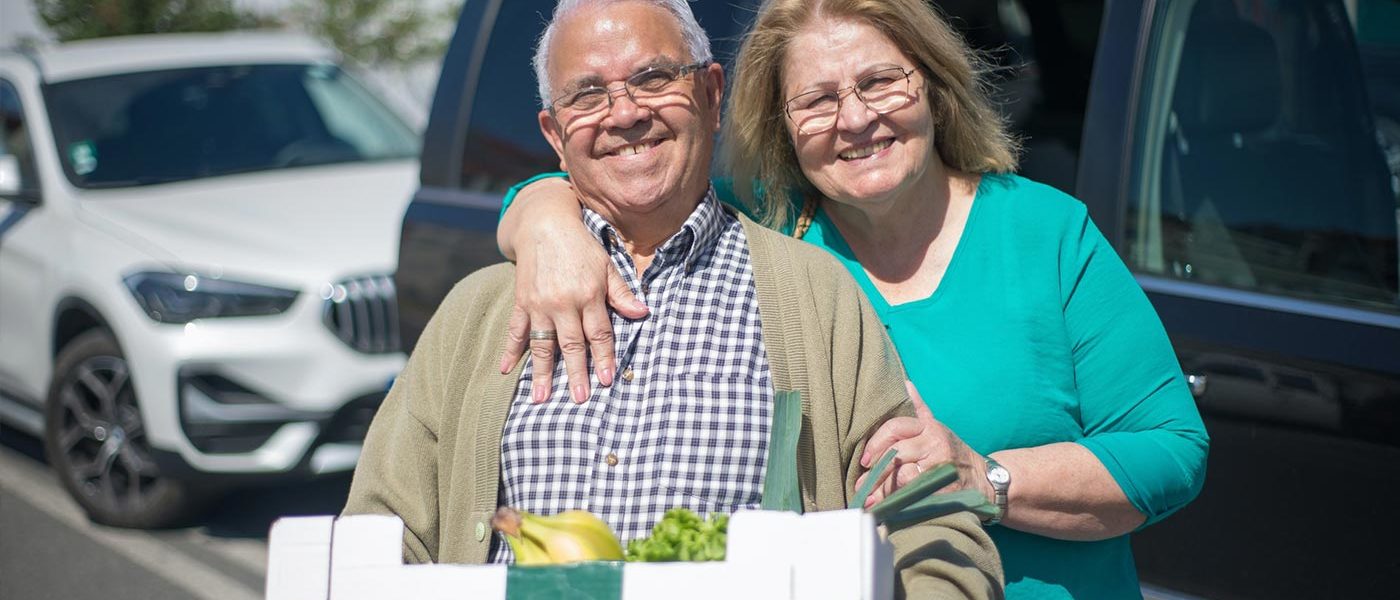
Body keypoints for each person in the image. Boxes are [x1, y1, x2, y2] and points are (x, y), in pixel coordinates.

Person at [495, 0, 1210, 597]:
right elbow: (629, 181)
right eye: (816, 99)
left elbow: (1172, 451)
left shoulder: (1045, 234)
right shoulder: (766, 233)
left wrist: (985, 475)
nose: (856, 118)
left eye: (881, 82)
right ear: (778, 123)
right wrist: (544, 219)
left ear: (932, 84)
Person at [344, 1, 1003, 597]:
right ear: (554, 134)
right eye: (588, 94)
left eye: (655, 77)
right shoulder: (477, 314)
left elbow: (927, 524)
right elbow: (378, 536)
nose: (625, 113)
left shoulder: (815, 295)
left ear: (712, 94)